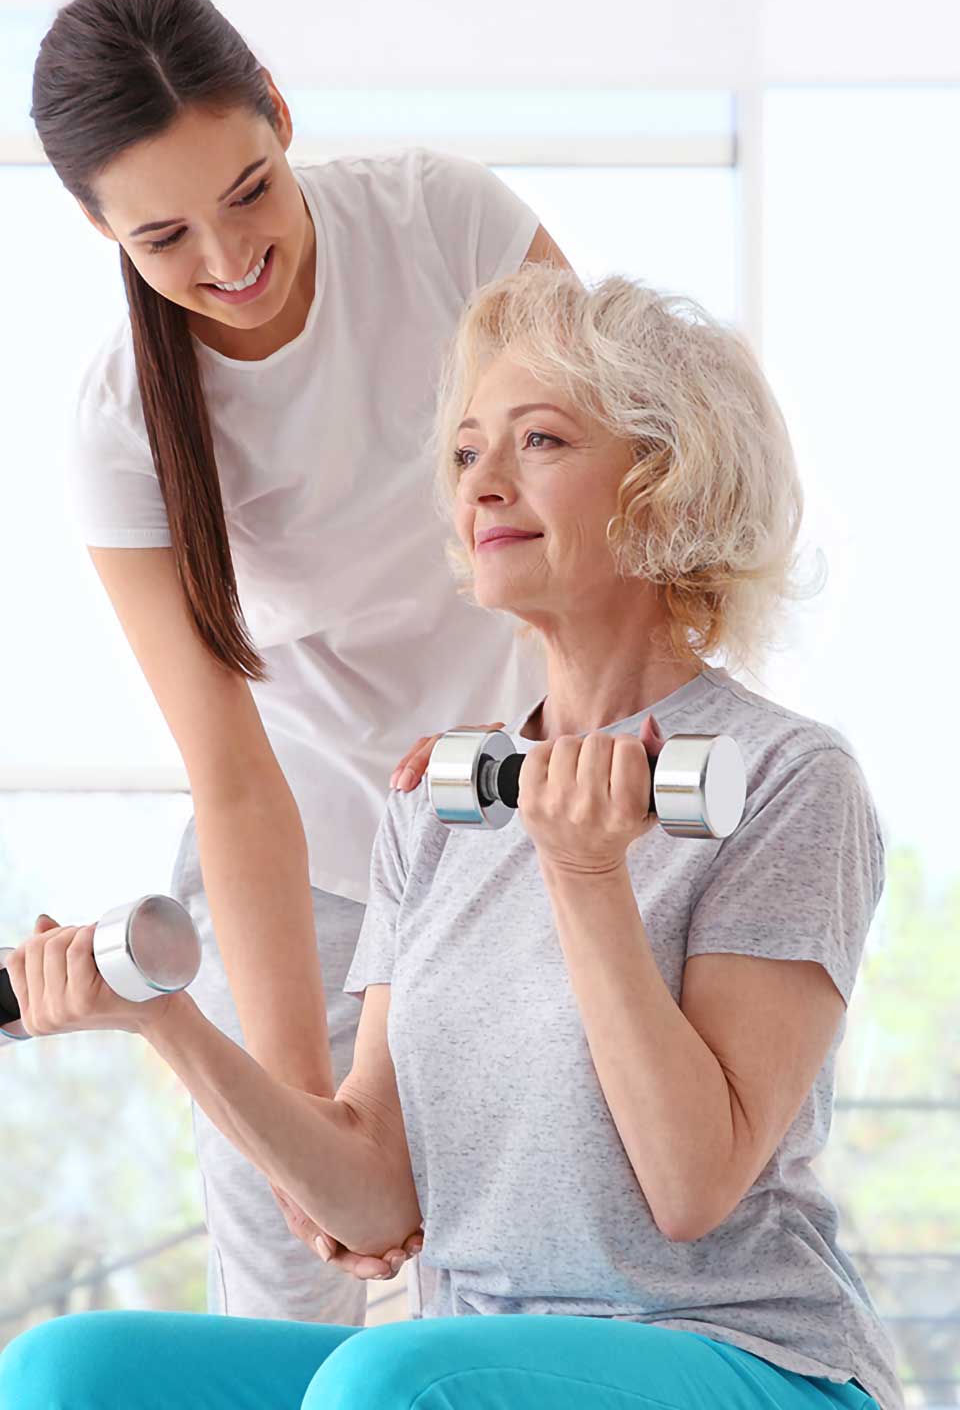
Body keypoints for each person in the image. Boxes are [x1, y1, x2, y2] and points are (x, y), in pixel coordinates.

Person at [0, 265, 903, 1410]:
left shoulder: (784, 779)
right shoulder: (446, 799)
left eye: (541, 442)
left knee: (390, 1382)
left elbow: (690, 1186)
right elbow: (377, 1199)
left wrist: (586, 874)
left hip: (737, 1354)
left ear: (664, 488)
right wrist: (164, 1021)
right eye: (469, 451)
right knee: (73, 1370)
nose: (483, 483)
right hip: (459, 1356)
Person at [29, 0, 564, 1324]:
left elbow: (619, 493)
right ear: (96, 227)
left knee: (509, 1263)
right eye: (163, 236)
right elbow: (232, 774)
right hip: (306, 860)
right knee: (288, 1282)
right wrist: (294, 1108)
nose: (227, 260)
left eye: (252, 189)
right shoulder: (118, 426)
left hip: (525, 819)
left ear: (279, 112)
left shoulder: (449, 223)